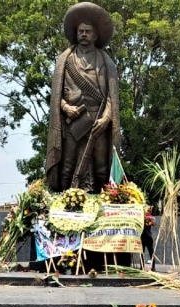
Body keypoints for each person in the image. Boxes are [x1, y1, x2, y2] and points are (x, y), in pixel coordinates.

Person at [46, 2, 120, 194]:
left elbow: (112, 96)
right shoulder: (65, 60)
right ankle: (62, 200)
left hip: (98, 118)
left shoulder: (106, 61)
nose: (84, 34)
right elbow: (56, 97)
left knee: (101, 166)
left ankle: (104, 201)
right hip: (74, 119)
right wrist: (65, 108)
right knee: (67, 165)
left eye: (88, 31)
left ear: (95, 35)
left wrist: (106, 118)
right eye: (81, 31)